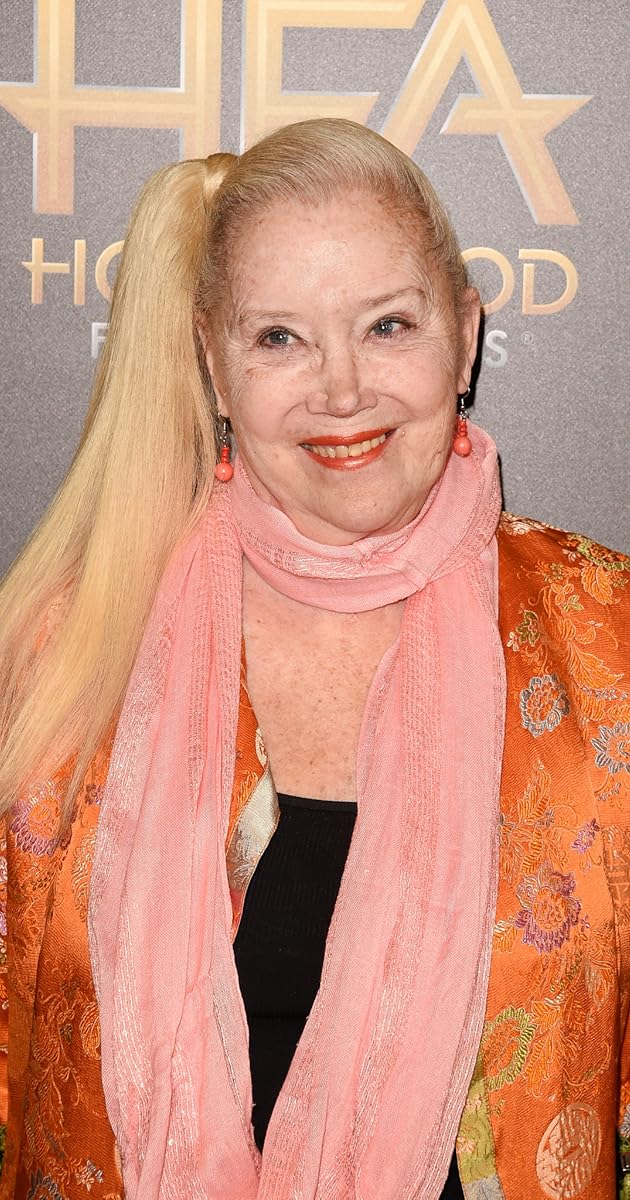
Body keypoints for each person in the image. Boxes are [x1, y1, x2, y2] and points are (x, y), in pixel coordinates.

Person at [0, 118, 628, 1200]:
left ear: (466, 337)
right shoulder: (68, 646)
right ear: (214, 364)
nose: (342, 392)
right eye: (281, 338)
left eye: (389, 325)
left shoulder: (608, 641)